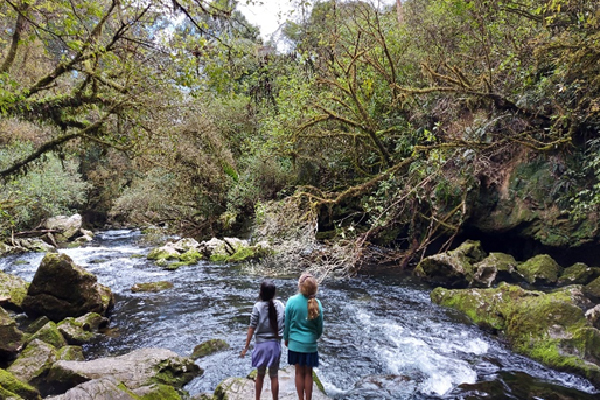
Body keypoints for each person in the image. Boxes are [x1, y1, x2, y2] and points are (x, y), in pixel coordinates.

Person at [241, 280, 285, 400]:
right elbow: (285, 323)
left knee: (260, 375)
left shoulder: (257, 307)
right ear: (274, 293)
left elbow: (251, 328)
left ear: (261, 292)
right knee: (274, 376)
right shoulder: (280, 305)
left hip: (261, 345)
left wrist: (246, 347)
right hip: (275, 345)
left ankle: (257, 398)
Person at [284, 273, 323, 400]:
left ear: (300, 286)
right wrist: (315, 337)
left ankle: (300, 398)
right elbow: (319, 327)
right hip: (310, 345)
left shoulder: (291, 301)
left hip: (295, 343)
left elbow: (287, 323)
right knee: (309, 374)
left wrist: (286, 338)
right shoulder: (316, 304)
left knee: (298, 373)